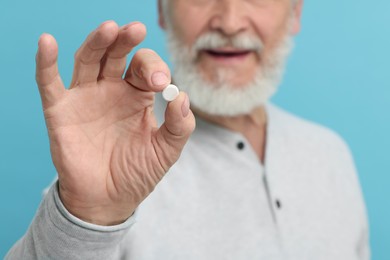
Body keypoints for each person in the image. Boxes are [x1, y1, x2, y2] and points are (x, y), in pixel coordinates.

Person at [6, 0, 370, 259]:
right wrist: (89, 218)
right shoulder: (110, 169)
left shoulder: (330, 154)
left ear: (295, 12)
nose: (229, 21)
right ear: (163, 11)